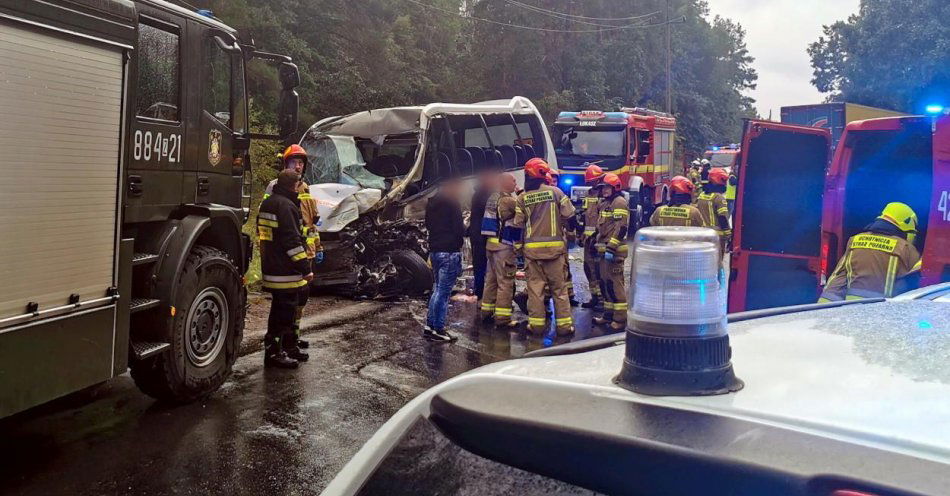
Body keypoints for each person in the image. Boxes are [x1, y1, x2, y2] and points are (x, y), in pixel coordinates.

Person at [264, 145, 324, 352]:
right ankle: (284, 343)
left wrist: (318, 246)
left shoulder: (305, 187)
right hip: (289, 255)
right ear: (285, 164)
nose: (298, 166)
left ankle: (293, 338)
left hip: (304, 253)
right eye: (294, 162)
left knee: (301, 299)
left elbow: (311, 223)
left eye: (300, 163)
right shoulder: (277, 188)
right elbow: (278, 226)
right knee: (288, 302)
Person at [512, 158, 576, 336]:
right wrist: (570, 234)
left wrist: (518, 247)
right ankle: (564, 327)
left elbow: (517, 226)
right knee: (559, 290)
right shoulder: (556, 193)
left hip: (532, 253)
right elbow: (570, 215)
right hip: (555, 252)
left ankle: (537, 326)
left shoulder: (522, 198)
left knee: (535, 291)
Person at [258, 170, 314, 369]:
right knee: (283, 313)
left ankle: (288, 348)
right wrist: (305, 267)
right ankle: (275, 353)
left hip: (272, 265)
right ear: (294, 185)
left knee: (285, 308)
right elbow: (292, 242)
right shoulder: (286, 206)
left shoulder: (269, 202)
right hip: (285, 271)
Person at [818, 202, 922, 302]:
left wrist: (823, 309)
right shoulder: (906, 248)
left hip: (850, 310)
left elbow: (838, 279)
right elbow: (917, 284)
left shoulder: (855, 240)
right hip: (881, 314)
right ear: (905, 225)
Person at [424, 177, 466, 342]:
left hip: (435, 250)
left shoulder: (432, 202)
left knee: (437, 289)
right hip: (449, 252)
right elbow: (458, 228)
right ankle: (439, 329)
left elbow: (428, 225)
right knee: (443, 292)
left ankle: (430, 326)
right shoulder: (453, 202)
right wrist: (459, 242)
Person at [480, 173, 522, 328]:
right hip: (504, 246)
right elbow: (524, 207)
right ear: (505, 183)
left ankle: (486, 312)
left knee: (491, 281)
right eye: (513, 181)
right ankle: (503, 319)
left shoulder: (493, 197)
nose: (515, 183)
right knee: (506, 282)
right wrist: (520, 193)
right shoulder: (507, 200)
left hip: (491, 246)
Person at [592, 173, 629, 331]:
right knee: (605, 283)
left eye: (607, 187)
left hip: (614, 252)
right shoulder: (605, 203)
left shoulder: (619, 202)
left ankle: (620, 319)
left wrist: (611, 248)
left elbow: (621, 228)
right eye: (603, 188)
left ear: (615, 187)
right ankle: (608, 315)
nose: (605, 190)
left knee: (615, 284)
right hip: (603, 250)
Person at [547, 169, 579, 306]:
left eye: (555, 181)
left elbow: (569, 217)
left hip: (561, 237)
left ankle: (569, 294)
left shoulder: (561, 195)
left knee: (565, 266)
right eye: (551, 180)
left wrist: (571, 233)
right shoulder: (554, 195)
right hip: (550, 239)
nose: (553, 183)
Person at [579, 164, 606, 310]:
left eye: (594, 181)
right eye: (590, 182)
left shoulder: (605, 196)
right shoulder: (589, 194)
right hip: (588, 239)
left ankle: (603, 299)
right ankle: (595, 296)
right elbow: (585, 216)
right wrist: (580, 234)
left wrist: (598, 237)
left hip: (599, 239)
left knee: (599, 269)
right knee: (588, 268)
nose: (592, 184)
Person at [469, 170, 496, 300]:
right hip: (482, 236)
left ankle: (480, 293)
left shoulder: (478, 194)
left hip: (477, 235)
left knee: (480, 266)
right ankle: (480, 293)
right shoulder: (486, 196)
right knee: (482, 267)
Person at [696, 167, 732, 254]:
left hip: (702, 234)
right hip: (717, 237)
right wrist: (728, 234)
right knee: (717, 262)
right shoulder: (718, 198)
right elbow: (722, 217)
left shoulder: (702, 195)